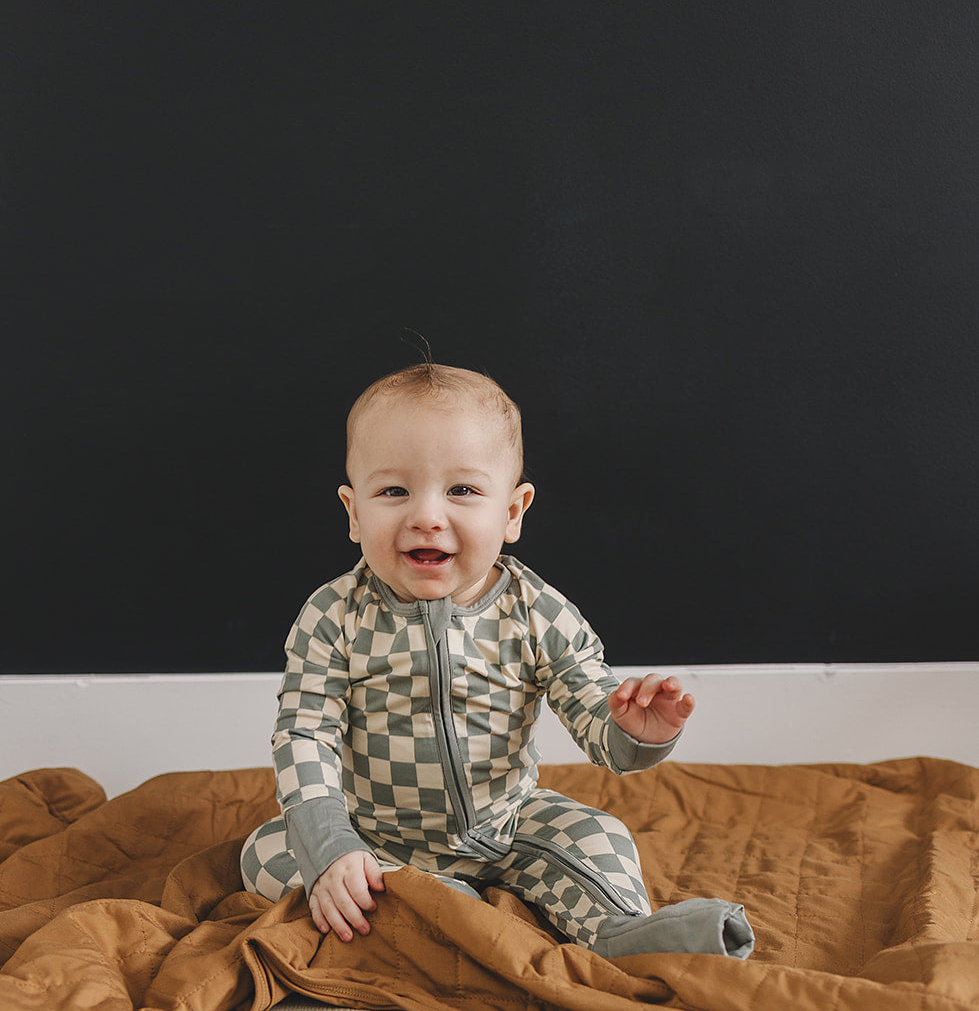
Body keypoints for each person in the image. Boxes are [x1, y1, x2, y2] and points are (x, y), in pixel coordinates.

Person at [241, 362, 754, 960]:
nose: (426, 515)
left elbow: (593, 715)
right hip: (375, 835)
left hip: (509, 825)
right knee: (265, 854)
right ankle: (439, 904)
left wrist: (633, 732)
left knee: (598, 835)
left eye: (461, 490)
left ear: (513, 512)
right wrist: (331, 846)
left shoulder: (537, 612)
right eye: (393, 491)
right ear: (354, 514)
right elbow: (304, 734)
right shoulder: (334, 615)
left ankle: (620, 932)